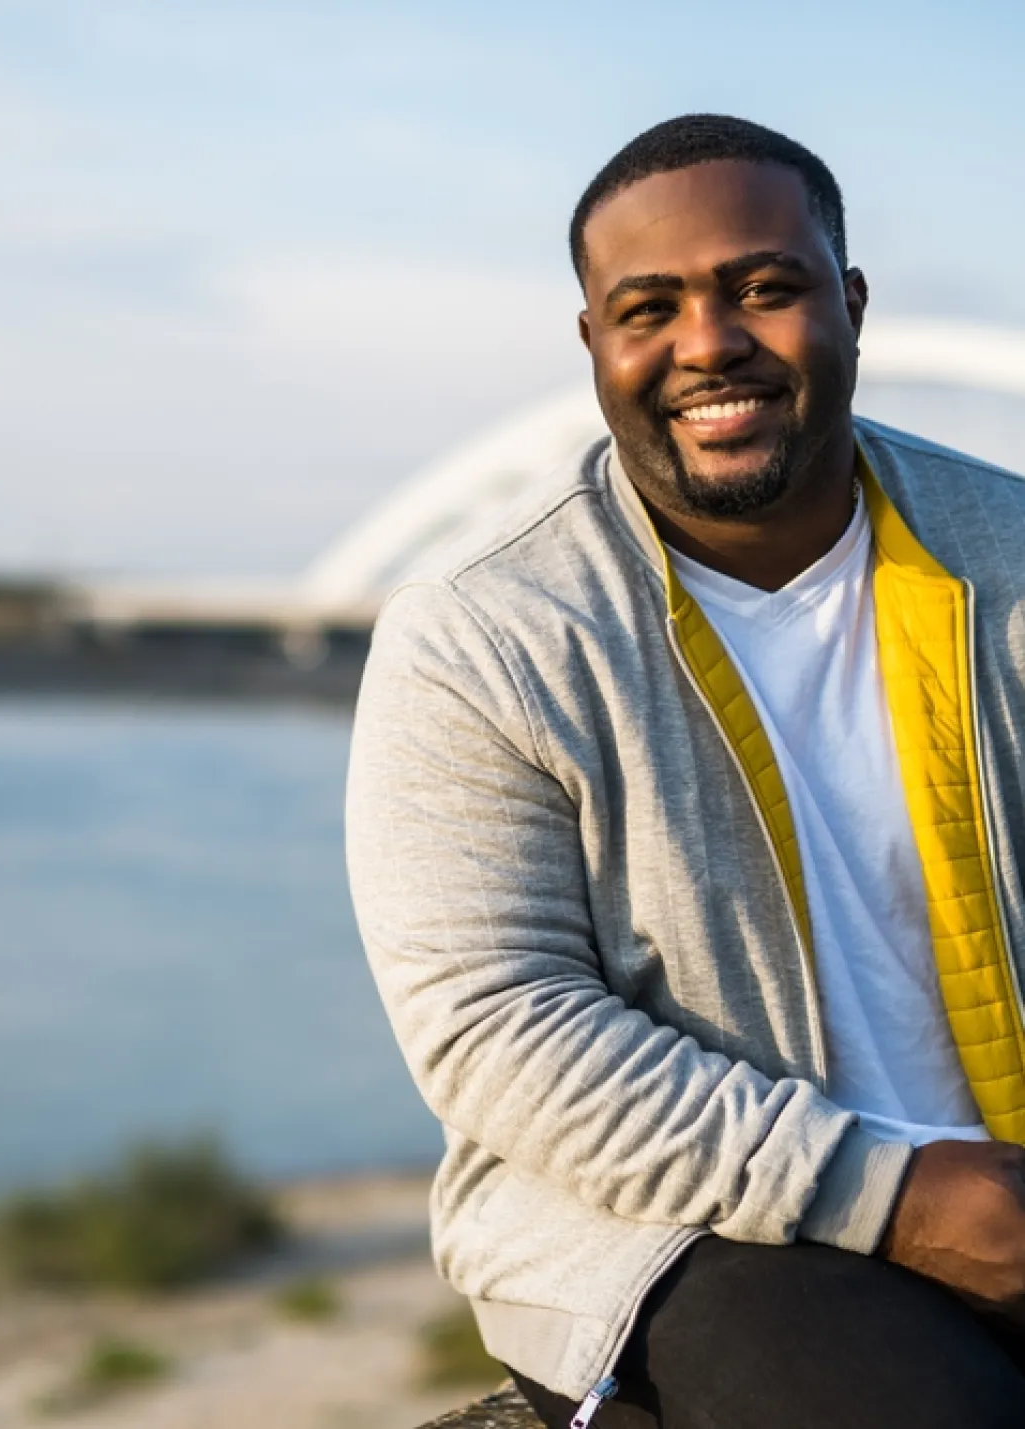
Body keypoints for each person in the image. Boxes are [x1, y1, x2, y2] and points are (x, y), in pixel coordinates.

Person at [345, 114, 1025, 1429]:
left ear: (853, 304)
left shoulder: (1007, 554)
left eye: (762, 288)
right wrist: (901, 1198)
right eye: (647, 309)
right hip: (683, 1228)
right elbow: (498, 1029)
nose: (707, 344)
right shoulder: (486, 637)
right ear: (595, 347)